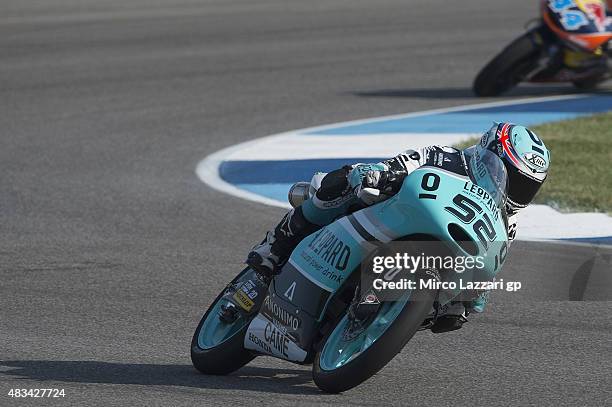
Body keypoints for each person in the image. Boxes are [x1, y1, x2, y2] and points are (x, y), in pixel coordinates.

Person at [245, 122, 551, 332]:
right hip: (387, 213)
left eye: (528, 187)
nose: (518, 192)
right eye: (516, 180)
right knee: (344, 182)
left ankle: (375, 323)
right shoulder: (446, 157)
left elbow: (487, 268)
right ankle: (274, 247)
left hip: (431, 257)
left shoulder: (505, 223)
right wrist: (378, 174)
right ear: (490, 157)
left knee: (449, 314)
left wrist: (471, 298)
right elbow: (399, 164)